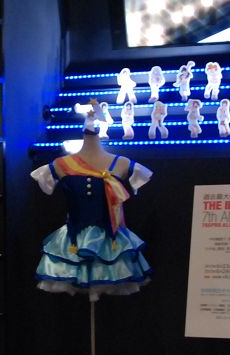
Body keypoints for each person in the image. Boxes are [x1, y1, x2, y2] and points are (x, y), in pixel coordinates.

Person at [31, 102, 153, 301]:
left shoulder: (121, 164)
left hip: (112, 238)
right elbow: (47, 186)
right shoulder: (61, 165)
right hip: (72, 239)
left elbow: (140, 179)